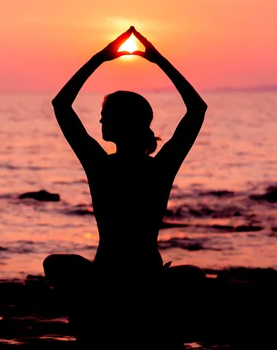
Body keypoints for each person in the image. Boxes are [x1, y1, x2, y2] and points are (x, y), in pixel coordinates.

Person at [43, 26, 208, 345]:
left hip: (107, 279)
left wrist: (99, 59)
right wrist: (158, 60)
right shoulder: (160, 167)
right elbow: (197, 109)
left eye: (105, 116)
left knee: (56, 265)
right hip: (148, 278)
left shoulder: (100, 164)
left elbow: (61, 105)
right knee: (192, 278)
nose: (100, 122)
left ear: (123, 122)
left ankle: (97, 318)